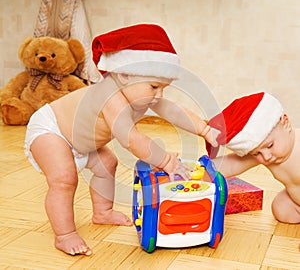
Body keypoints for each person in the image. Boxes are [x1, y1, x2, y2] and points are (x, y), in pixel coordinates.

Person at [24, 24, 217, 256]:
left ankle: (102, 212)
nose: (159, 95)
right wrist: (165, 160)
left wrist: (204, 129)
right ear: (124, 75)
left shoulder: (140, 92)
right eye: (154, 87)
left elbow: (173, 111)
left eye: (163, 88)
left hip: (81, 141)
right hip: (52, 129)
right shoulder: (110, 96)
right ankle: (64, 235)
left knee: (107, 164)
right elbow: (131, 139)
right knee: (64, 179)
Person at [205, 92, 300, 250]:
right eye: (256, 153)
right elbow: (232, 164)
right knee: (281, 209)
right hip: (296, 198)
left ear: (286, 122)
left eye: (270, 146)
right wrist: (203, 170)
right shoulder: (266, 152)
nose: (266, 157)